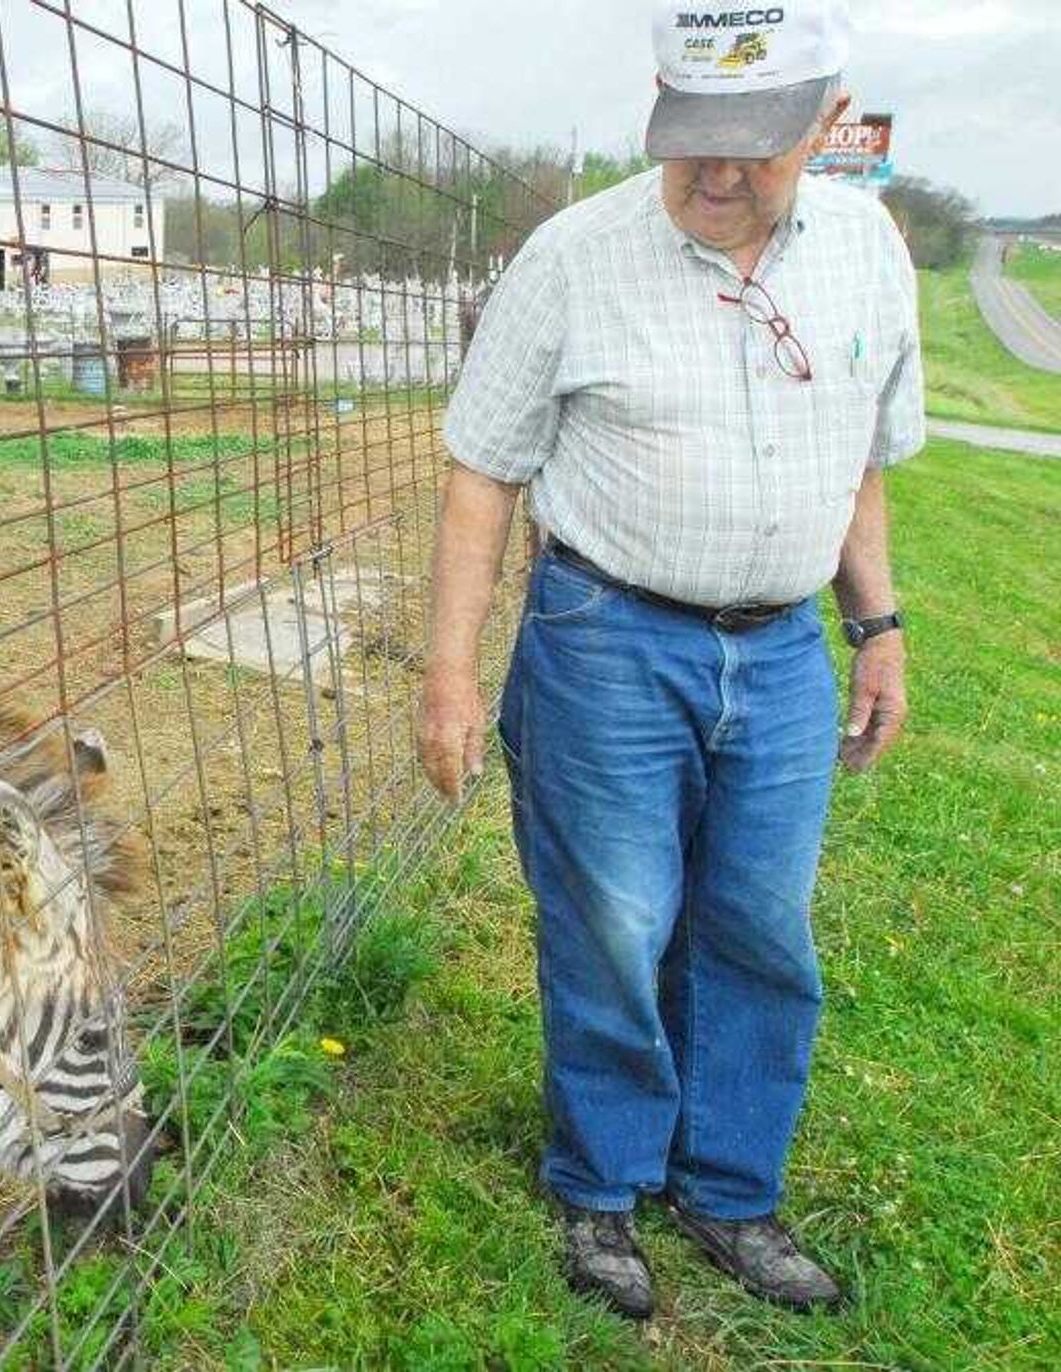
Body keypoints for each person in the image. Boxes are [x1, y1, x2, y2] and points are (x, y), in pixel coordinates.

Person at [416, 0, 920, 1321]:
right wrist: (451, 677)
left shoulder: (869, 254)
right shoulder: (573, 261)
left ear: (826, 123)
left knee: (758, 926)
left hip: (783, 652)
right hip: (607, 642)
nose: (713, 172)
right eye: (690, 136)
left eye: (752, 146)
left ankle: (727, 1188)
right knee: (615, 921)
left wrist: (876, 628)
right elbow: (482, 474)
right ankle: (602, 1185)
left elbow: (858, 455)